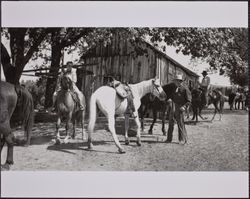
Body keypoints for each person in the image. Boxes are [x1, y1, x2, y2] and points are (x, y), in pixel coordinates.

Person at [165, 74, 192, 145]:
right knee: (171, 123)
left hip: (180, 109)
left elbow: (189, 101)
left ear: (181, 82)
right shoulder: (174, 89)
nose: (177, 83)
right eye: (176, 81)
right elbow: (171, 97)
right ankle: (169, 139)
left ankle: (182, 139)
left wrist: (184, 107)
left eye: (178, 81)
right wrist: (170, 99)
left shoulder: (185, 89)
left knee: (180, 124)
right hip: (173, 107)